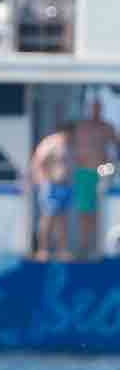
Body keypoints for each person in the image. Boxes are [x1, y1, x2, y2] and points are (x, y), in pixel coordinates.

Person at [69, 100, 117, 260]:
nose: (97, 111)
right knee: (84, 212)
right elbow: (73, 149)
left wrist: (111, 167)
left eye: (99, 108)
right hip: (84, 173)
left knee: (99, 211)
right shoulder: (82, 128)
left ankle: (98, 247)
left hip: (101, 171)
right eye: (94, 108)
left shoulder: (107, 128)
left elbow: (117, 147)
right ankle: (84, 246)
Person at [30, 123, 75, 261]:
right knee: (48, 218)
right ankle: (43, 250)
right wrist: (43, 181)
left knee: (63, 219)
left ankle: (62, 250)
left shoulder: (70, 145)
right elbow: (38, 161)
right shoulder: (50, 143)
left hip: (66, 185)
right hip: (51, 185)